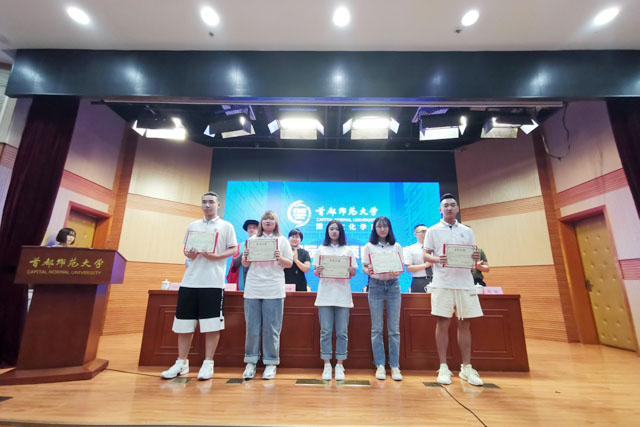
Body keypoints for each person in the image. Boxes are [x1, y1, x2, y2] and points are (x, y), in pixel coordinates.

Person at [161, 192, 238, 381]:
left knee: (212, 325)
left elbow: (234, 249)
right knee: (184, 324)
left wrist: (216, 256)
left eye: (211, 202)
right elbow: (186, 249)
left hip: (213, 283)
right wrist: (190, 254)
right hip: (190, 281)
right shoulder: (193, 225)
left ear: (218, 205)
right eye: (204, 202)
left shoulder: (226, 226)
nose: (207, 205)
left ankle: (208, 363)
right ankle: (181, 362)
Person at [423, 193, 483, 386]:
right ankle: (443, 366)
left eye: (452, 205)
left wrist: (475, 257)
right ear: (440, 210)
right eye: (446, 205)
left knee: (465, 324)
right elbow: (426, 255)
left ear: (457, 208)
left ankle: (467, 367)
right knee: (443, 323)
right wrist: (437, 259)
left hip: (465, 283)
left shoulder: (467, 230)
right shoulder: (433, 230)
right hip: (443, 282)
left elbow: (473, 255)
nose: (449, 208)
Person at [241, 211, 293, 380]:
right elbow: (245, 263)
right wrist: (246, 257)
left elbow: (289, 263)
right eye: (265, 219)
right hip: (253, 287)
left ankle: (271, 362)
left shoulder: (282, 240)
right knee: (252, 327)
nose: (268, 221)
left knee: (272, 328)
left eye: (271, 219)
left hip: (274, 287)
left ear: (276, 223)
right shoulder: (252, 240)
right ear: (261, 223)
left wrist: (280, 258)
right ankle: (251, 361)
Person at [312, 220, 357, 381]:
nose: (334, 231)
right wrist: (317, 271)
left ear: (341, 232)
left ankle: (339, 364)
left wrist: (351, 271)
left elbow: (353, 272)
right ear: (327, 231)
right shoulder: (321, 249)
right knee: (325, 331)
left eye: (337, 229)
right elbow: (316, 272)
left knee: (342, 332)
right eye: (331, 229)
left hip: (343, 296)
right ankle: (326, 364)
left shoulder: (348, 250)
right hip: (325, 296)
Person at [362, 216, 404, 381]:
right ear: (374, 229)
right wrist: (368, 270)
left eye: (385, 226)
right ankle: (379, 364)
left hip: (393, 286)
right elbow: (365, 266)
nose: (382, 229)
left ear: (389, 228)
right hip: (375, 286)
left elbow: (401, 267)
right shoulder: (368, 246)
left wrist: (397, 271)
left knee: (394, 329)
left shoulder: (397, 246)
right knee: (377, 328)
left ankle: (394, 365)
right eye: (379, 226)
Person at [227, 219, 259, 290]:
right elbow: (235, 263)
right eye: (249, 228)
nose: (251, 229)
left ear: (258, 230)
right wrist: (245, 253)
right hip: (243, 277)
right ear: (247, 230)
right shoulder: (240, 246)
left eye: (254, 228)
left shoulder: (263, 245)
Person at [403, 224, 433, 293]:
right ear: (415, 234)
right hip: (419, 281)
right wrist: (426, 265)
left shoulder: (434, 248)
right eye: (422, 231)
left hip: (435, 280)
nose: (425, 234)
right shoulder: (410, 249)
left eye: (427, 231)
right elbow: (409, 268)